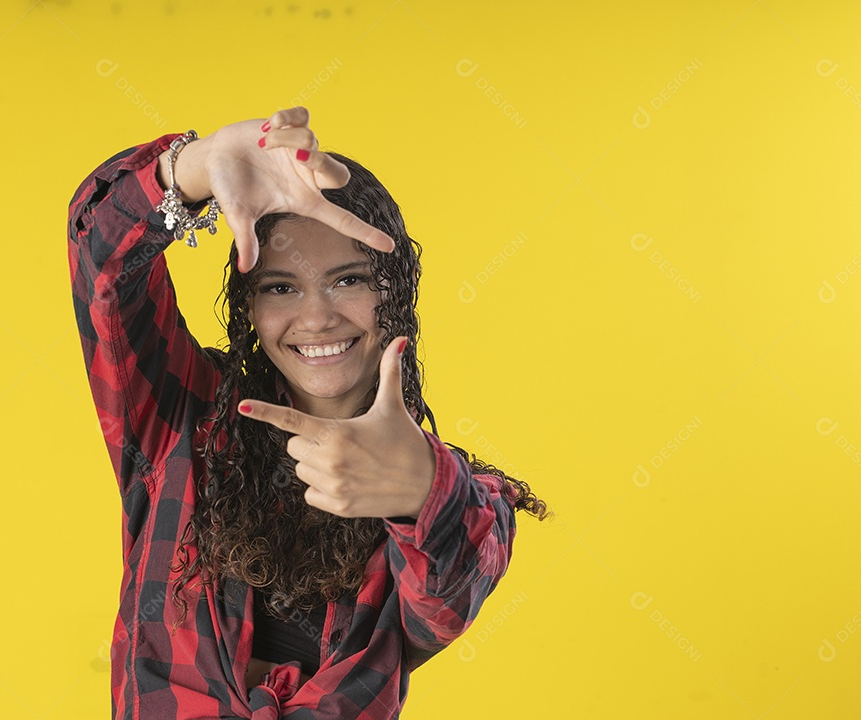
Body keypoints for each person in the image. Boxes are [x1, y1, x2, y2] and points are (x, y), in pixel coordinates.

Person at [67, 106, 550, 720]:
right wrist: (190, 168)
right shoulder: (181, 419)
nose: (317, 317)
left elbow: (447, 597)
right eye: (279, 287)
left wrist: (421, 491)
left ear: (393, 291)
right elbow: (101, 266)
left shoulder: (459, 498)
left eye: (349, 281)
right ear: (248, 304)